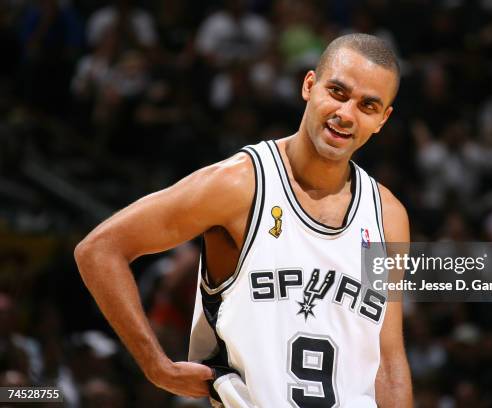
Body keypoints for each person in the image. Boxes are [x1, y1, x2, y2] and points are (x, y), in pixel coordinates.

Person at [75, 33, 413, 407]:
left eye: (367, 106)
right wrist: (156, 366)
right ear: (309, 85)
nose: (346, 114)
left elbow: (389, 359)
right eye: (337, 92)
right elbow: (100, 249)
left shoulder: (388, 215)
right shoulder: (239, 185)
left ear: (383, 119)